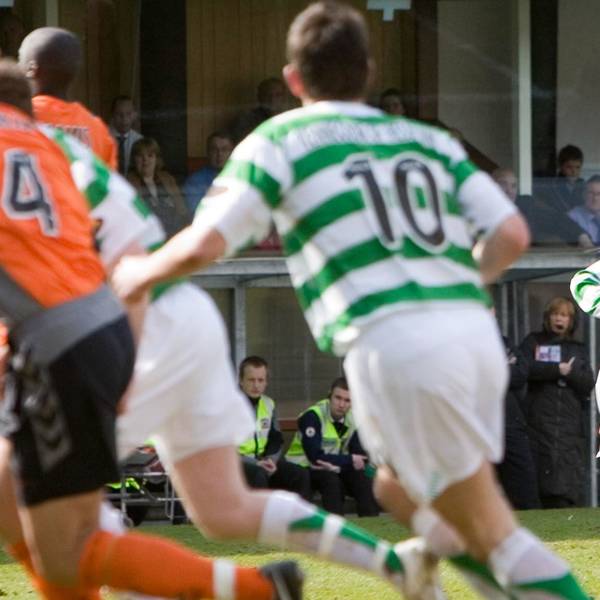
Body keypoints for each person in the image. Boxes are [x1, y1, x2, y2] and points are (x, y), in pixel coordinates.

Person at [112, 3, 589, 599]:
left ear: (292, 79)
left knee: (490, 525)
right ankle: (425, 579)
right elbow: (512, 235)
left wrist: (132, 274)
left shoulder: (282, 138)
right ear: (367, 71)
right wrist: (457, 288)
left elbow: (206, 243)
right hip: (472, 334)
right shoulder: (423, 139)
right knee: (397, 491)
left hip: (398, 342)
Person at [6, 94, 441, 599]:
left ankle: (251, 589)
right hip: (182, 314)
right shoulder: (72, 147)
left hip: (124, 326)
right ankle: (392, 564)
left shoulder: (29, 148)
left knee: (41, 506)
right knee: (222, 508)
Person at [0, 60, 305, 600]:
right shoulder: (55, 152)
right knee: (10, 498)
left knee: (65, 551)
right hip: (93, 328)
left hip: (55, 348)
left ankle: (254, 589)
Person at [519, 297, 594, 509]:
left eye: (564, 315)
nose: (559, 319)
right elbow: (523, 369)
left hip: (569, 420)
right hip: (538, 417)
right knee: (540, 462)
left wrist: (569, 374)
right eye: (555, 314)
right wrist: (555, 370)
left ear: (571, 321)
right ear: (547, 317)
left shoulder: (577, 348)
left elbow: (587, 382)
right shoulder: (533, 341)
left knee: (566, 466)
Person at [18, 27, 117, 170]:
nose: (16, 66)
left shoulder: (16, 117)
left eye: (20, 59)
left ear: (32, 69)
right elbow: (107, 187)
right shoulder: (98, 130)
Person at [287, 377, 379, 517]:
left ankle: (372, 527)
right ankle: (337, 528)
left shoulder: (354, 418)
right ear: (330, 396)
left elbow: (358, 456)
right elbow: (315, 457)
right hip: (303, 468)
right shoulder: (313, 416)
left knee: (363, 479)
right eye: (338, 398)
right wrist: (347, 461)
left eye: (347, 400)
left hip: (334, 466)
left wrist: (343, 464)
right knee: (331, 480)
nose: (341, 404)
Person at [238, 356, 311, 501]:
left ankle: (299, 521)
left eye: (261, 380)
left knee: (300, 474)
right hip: (236, 463)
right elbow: (223, 449)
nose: (256, 385)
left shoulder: (268, 404)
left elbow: (276, 439)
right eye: (251, 380)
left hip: (263, 462)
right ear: (241, 381)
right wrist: (256, 463)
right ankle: (261, 521)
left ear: (266, 382)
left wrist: (271, 460)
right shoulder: (227, 406)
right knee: (259, 474)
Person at [494, 336, 541, 510]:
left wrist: (492, 370)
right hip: (475, 423)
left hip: (510, 421)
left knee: (524, 485)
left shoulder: (503, 341)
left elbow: (521, 372)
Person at [492, 167, 592, 247]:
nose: (510, 191)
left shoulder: (526, 205)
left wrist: (582, 236)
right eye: (503, 184)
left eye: (514, 186)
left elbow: (556, 219)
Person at [128, 137, 189, 238]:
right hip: (145, 237)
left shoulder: (167, 179)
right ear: (134, 160)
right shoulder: (127, 183)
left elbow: (182, 210)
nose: (145, 160)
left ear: (157, 159)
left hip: (173, 234)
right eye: (140, 156)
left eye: (150, 155)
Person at [183, 131, 234, 213]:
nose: (219, 154)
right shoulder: (194, 181)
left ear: (232, 152)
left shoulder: (240, 178)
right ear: (208, 152)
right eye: (214, 149)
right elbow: (197, 211)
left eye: (224, 149)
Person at [230, 77, 287, 142]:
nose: (272, 99)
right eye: (268, 95)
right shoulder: (247, 119)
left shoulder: (290, 116)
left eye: (278, 95)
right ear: (259, 97)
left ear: (284, 97)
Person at [535, 144, 586, 216]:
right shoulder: (552, 187)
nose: (574, 171)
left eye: (577, 167)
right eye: (569, 167)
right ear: (561, 166)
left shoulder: (583, 186)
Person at [110, 94, 143, 176]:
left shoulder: (140, 141)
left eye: (128, 114)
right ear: (113, 115)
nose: (124, 119)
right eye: (119, 114)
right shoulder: (101, 137)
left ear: (135, 115)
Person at [567, 175, 600, 245]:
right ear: (584, 194)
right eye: (591, 193)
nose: (595, 198)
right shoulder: (572, 216)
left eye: (599, 194)